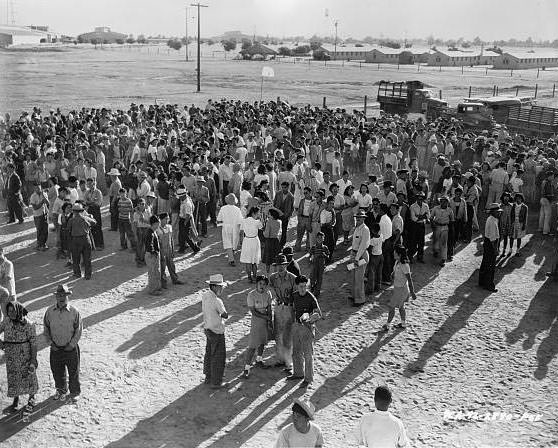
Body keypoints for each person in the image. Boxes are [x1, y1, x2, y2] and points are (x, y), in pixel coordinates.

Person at [43, 284, 83, 403]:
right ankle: (61, 390)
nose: (61, 297)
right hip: (55, 348)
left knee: (73, 371)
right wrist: (51, 343)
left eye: (64, 295)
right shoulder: (49, 311)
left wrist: (71, 344)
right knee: (57, 371)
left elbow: (78, 329)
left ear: (67, 296)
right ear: (56, 297)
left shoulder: (74, 311)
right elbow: (46, 329)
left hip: (70, 348)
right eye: (59, 295)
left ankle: (75, 392)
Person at [0, 301, 39, 413]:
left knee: (29, 376)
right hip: (11, 356)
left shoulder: (29, 324)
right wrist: (1, 344)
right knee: (14, 376)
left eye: (13, 310)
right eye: (9, 311)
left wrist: (33, 359)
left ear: (18, 310)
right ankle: (16, 398)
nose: (11, 313)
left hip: (25, 355)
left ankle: (31, 398)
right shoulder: (6, 322)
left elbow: (34, 343)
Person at [287, 275, 322, 388]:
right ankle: (298, 373)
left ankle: (308, 378)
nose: (303, 289)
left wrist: (311, 318)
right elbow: (291, 309)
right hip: (297, 325)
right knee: (296, 351)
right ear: (297, 286)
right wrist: (293, 321)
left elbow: (318, 314)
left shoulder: (311, 297)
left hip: (307, 327)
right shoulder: (294, 295)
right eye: (301, 286)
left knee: (307, 354)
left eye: (304, 286)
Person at [269, 255, 296, 373]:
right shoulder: (273, 278)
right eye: (278, 265)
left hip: (289, 307)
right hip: (278, 306)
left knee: (288, 335)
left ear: (286, 265)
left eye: (283, 265)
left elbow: (297, 294)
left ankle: (289, 362)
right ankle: (280, 359)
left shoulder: (292, 278)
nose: (280, 267)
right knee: (278, 333)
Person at [242, 275, 273, 378]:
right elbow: (253, 312)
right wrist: (266, 317)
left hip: (265, 321)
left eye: (264, 284)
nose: (262, 286)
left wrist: (270, 319)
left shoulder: (268, 294)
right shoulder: (251, 295)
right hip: (256, 321)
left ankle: (259, 359)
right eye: (260, 283)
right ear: (257, 284)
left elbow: (269, 307)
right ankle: (246, 367)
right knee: (252, 345)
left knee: (263, 341)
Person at [202, 274, 229, 389]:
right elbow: (225, 315)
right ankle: (216, 382)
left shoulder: (205, 296)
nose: (221, 289)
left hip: (208, 328)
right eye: (220, 287)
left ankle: (208, 377)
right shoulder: (217, 301)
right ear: (215, 287)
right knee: (218, 356)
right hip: (217, 330)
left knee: (209, 353)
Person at [380, 245, 416, 331]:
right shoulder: (397, 262)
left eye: (395, 253)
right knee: (401, 307)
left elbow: (410, 280)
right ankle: (403, 323)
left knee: (391, 307)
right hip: (398, 288)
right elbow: (395, 271)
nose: (393, 254)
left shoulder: (405, 266)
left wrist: (413, 292)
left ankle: (387, 325)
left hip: (401, 290)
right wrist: (393, 274)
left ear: (399, 255)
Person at [68, 202, 96, 280]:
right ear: (81, 211)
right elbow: (94, 222)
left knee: (76, 259)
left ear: (73, 211)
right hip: (86, 239)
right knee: (87, 258)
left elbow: (68, 230)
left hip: (75, 240)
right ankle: (88, 275)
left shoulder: (71, 220)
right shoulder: (86, 218)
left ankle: (77, 273)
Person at [479, 203, 502, 293]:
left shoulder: (492, 219)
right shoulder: (492, 221)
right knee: (490, 265)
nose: (499, 213)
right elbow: (493, 238)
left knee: (485, 263)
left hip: (488, 243)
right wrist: (495, 249)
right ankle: (488, 284)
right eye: (497, 212)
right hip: (491, 244)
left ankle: (482, 282)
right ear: (493, 212)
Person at [157, 213, 183, 287]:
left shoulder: (169, 227)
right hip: (162, 250)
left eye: (168, 218)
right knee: (163, 267)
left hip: (169, 248)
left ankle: (175, 279)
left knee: (171, 265)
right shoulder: (157, 229)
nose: (167, 220)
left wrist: (172, 249)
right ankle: (163, 282)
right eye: (166, 218)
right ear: (161, 219)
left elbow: (171, 239)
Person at [350, 210, 371, 306]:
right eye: (357, 217)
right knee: (353, 276)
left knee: (359, 278)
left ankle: (360, 299)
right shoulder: (357, 228)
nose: (358, 218)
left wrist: (357, 258)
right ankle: (354, 295)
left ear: (364, 218)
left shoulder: (365, 229)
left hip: (361, 256)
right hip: (354, 254)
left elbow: (363, 246)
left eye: (360, 217)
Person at [217, 193, 243, 266]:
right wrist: (241, 230)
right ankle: (232, 255)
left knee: (228, 243)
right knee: (234, 242)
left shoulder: (223, 208)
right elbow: (240, 221)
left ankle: (231, 259)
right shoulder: (237, 209)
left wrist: (221, 226)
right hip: (235, 228)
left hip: (226, 227)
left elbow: (219, 219)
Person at [240, 206, 263, 282]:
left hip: (246, 241)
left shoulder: (244, 220)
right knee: (255, 260)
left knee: (248, 261)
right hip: (255, 241)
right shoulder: (257, 222)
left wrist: (241, 241)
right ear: (254, 213)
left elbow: (241, 232)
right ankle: (254, 277)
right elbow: (262, 228)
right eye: (258, 212)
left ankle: (249, 277)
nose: (259, 214)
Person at [430, 196, 454, 267]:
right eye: (442, 201)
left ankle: (443, 258)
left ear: (447, 202)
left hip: (445, 227)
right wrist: (432, 224)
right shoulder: (435, 208)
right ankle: (436, 250)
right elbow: (431, 218)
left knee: (444, 243)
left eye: (445, 201)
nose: (443, 202)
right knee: (436, 240)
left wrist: (451, 230)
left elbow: (452, 220)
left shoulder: (450, 210)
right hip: (437, 226)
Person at [144, 215, 163, 296]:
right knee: (152, 273)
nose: (159, 225)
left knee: (156, 271)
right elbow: (149, 245)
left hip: (153, 255)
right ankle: (152, 290)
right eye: (158, 223)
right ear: (154, 224)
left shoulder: (152, 231)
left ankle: (156, 287)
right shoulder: (150, 233)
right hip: (151, 255)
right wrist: (154, 252)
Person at [29, 182, 50, 251]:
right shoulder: (33, 196)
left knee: (45, 230)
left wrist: (44, 198)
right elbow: (35, 208)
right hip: (37, 216)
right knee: (40, 230)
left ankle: (43, 244)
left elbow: (48, 203)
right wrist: (41, 202)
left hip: (45, 214)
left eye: (39, 187)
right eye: (37, 188)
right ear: (34, 189)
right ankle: (39, 245)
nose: (38, 189)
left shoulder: (44, 194)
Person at [85, 177, 104, 250]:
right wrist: (91, 202)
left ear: (94, 183)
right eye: (88, 184)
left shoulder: (98, 192)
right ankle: (94, 245)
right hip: (90, 211)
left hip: (96, 211)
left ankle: (100, 244)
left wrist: (90, 202)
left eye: (90, 183)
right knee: (91, 227)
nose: (89, 185)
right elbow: (85, 201)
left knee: (98, 227)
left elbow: (98, 203)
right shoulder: (87, 192)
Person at [274, 181, 295, 248]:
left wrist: (289, 215)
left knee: (284, 229)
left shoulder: (291, 196)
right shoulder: (278, 193)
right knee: (276, 228)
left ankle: (282, 243)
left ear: (288, 187)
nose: (283, 189)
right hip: (277, 213)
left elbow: (292, 207)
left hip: (285, 215)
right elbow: (274, 203)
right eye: (282, 187)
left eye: (285, 187)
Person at [309, 232, 329, 299]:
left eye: (321, 238)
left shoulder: (325, 248)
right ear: (316, 238)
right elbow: (310, 255)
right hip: (314, 264)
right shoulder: (313, 247)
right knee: (313, 277)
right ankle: (312, 287)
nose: (319, 239)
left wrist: (325, 255)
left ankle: (317, 292)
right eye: (318, 237)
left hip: (321, 264)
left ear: (323, 239)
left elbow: (328, 256)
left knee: (320, 278)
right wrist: (311, 259)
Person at [262, 208, 283, 274]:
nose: (268, 215)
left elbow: (266, 235)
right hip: (276, 241)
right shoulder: (279, 221)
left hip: (269, 242)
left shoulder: (269, 222)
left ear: (272, 215)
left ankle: (267, 274)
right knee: (276, 259)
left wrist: (263, 232)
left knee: (268, 260)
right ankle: (275, 274)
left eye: (269, 214)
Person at [366, 222, 383, 295]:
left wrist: (368, 259)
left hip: (374, 256)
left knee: (371, 273)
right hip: (380, 255)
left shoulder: (372, 240)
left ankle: (370, 289)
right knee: (379, 272)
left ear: (373, 230)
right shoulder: (381, 236)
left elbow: (370, 250)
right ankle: (378, 286)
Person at [0, 246, 16, 318]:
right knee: (6, 317)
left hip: (10, 295)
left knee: (13, 316)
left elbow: (7, 278)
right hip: (2, 295)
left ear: (2, 251)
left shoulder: (8, 264)